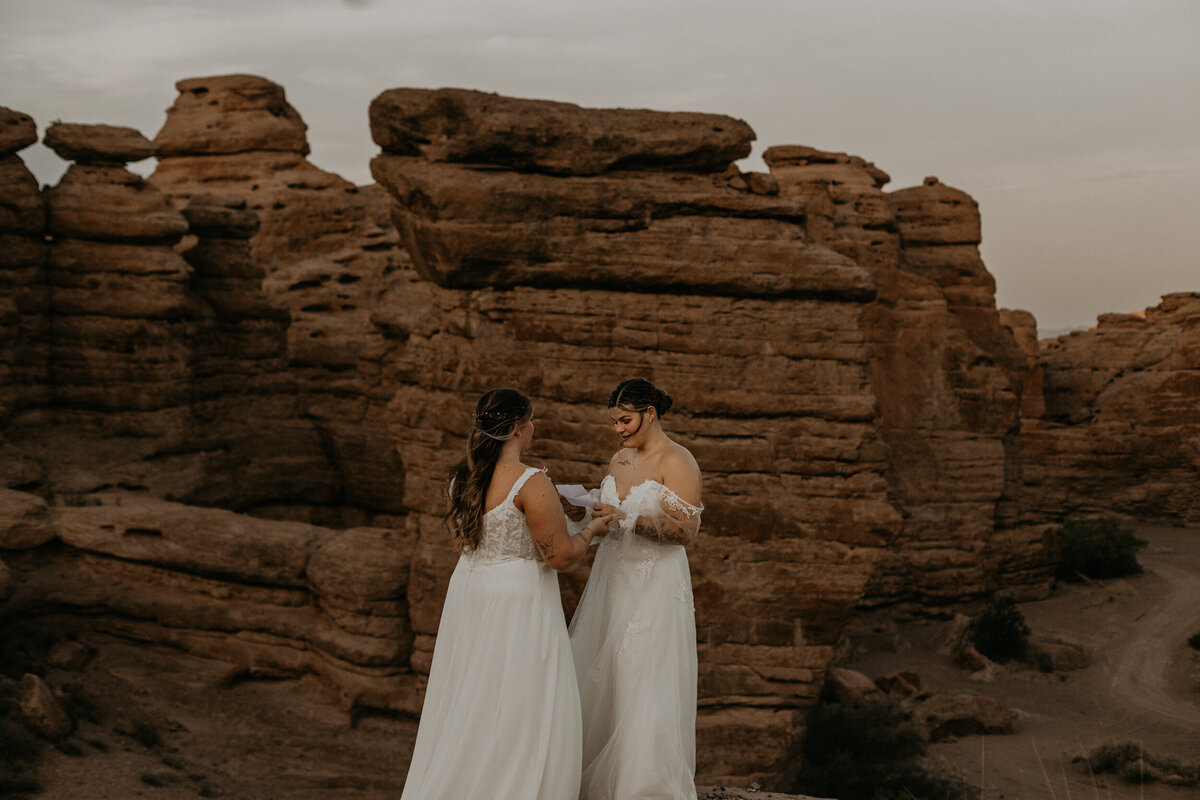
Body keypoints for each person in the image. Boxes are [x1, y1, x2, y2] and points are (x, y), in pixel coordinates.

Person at [400, 388, 614, 800]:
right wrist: (591, 529)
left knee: (473, 693)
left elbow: (465, 543)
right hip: (519, 597)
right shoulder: (531, 482)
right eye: (530, 422)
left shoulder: (459, 478)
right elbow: (561, 558)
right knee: (520, 698)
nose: (532, 429)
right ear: (517, 428)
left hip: (472, 589)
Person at [567, 377, 704, 800]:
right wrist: (590, 508)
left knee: (646, 675)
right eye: (614, 422)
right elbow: (614, 510)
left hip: (654, 584)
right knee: (604, 670)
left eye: (625, 420)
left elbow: (686, 533)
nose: (619, 430)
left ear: (650, 413)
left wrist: (627, 519)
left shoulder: (678, 460)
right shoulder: (619, 458)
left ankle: (644, 787)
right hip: (614, 578)